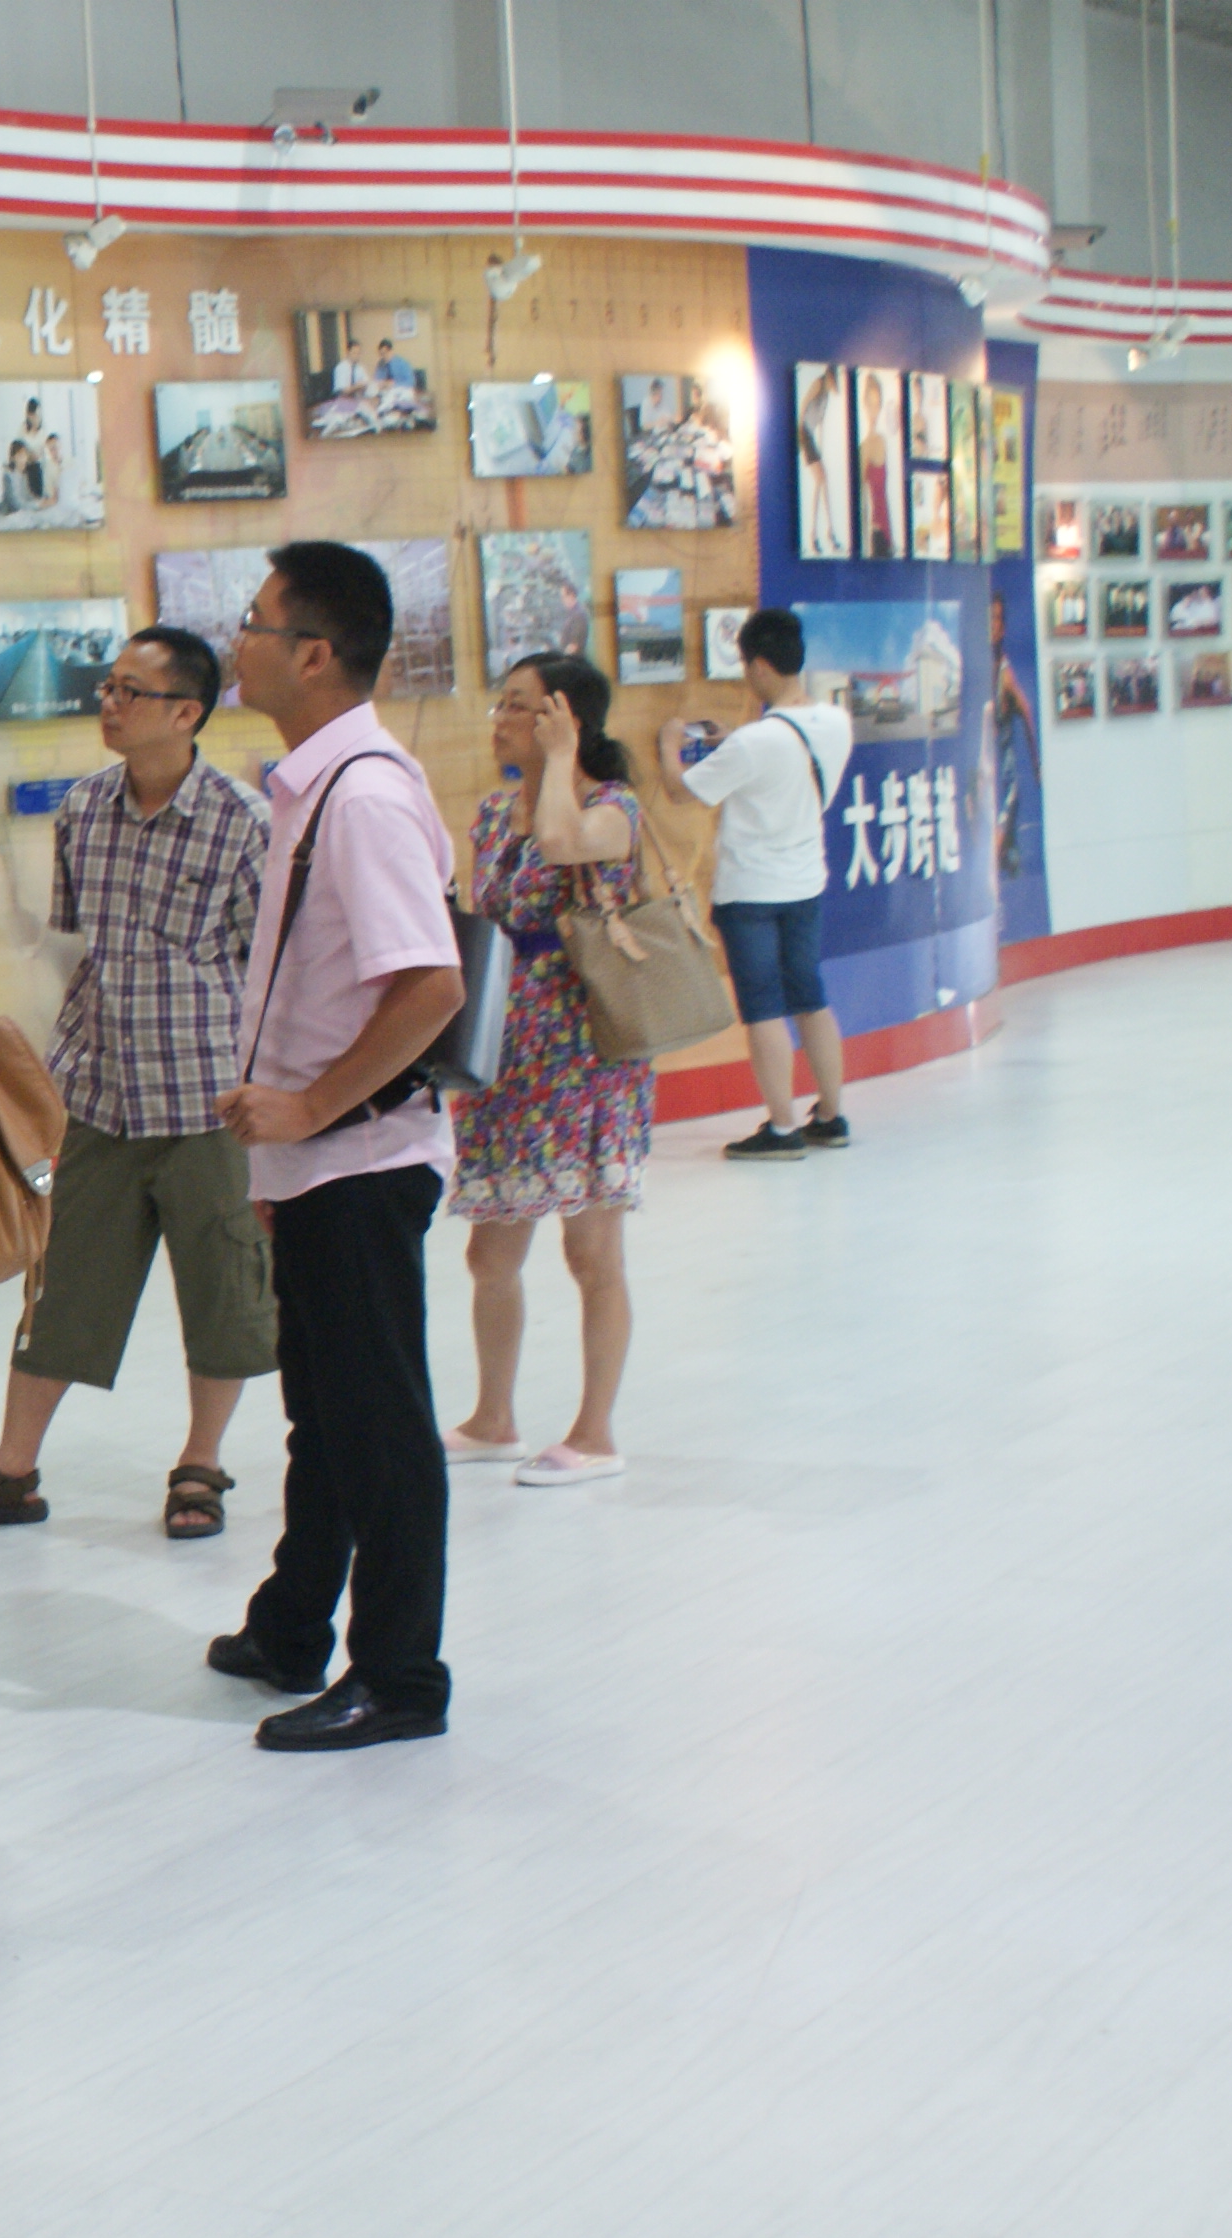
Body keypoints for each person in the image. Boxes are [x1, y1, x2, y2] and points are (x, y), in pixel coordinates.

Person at [206, 542, 469, 1754]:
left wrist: (309, 1112)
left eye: (254, 620)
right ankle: (290, 1625)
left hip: (359, 1159)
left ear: (312, 653)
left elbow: (428, 987)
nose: (238, 639)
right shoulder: (315, 786)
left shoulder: (359, 797)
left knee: (378, 1425)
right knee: (324, 1415)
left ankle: (400, 1676)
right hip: (318, 1164)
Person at [0, 623, 276, 1541]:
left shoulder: (243, 822)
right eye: (107, 687)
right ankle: (11, 1470)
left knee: (221, 1294)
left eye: (130, 692)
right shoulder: (82, 810)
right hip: (99, 1092)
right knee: (61, 1288)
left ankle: (200, 1465)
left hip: (207, 1097)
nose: (108, 703)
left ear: (187, 713)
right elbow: (74, 943)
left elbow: (267, 967)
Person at [449, 654, 654, 1488]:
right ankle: (492, 1417)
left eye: (521, 707)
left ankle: (594, 1433)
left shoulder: (612, 809)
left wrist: (564, 760)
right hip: (505, 1049)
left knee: (591, 1251)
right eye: (501, 703)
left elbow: (563, 843)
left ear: (565, 719)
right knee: (489, 1252)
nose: (501, 719)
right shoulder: (492, 814)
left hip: (586, 1053)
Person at [656, 606, 854, 1158]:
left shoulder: (754, 743)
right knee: (810, 997)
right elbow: (776, 761)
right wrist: (736, 742)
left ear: (761, 666)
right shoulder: (835, 721)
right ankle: (831, 1115)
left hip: (750, 893)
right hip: (806, 883)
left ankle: (783, 1127)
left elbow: (679, 791)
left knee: (764, 1008)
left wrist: (670, 745)